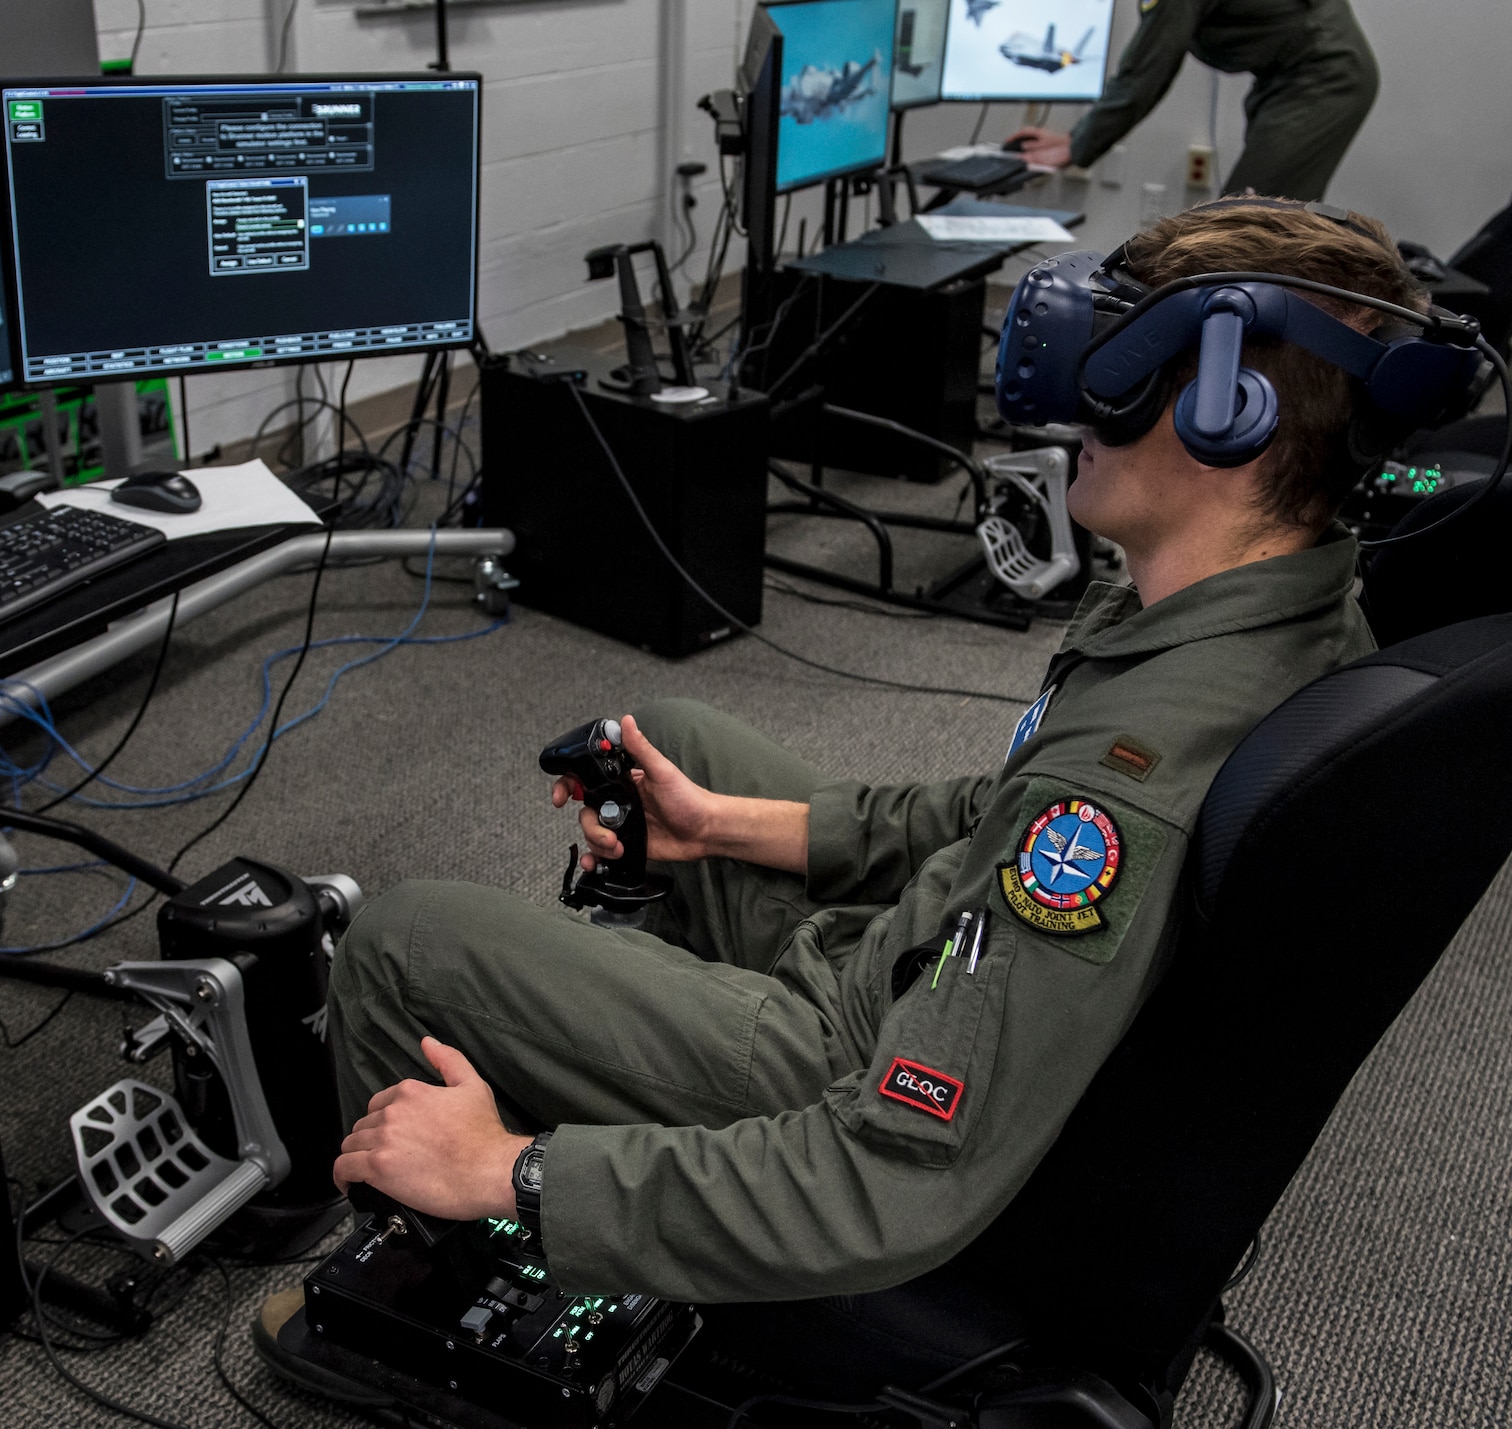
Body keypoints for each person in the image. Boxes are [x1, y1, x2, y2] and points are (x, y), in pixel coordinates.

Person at [265, 200, 1422, 1386]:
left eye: (1118, 367)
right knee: (674, 742)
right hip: (924, 962)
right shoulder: (1242, 607)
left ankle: (443, 1289)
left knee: (401, 945)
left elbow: (893, 1171)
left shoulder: (1125, 784)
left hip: (857, 1071)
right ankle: (616, 1066)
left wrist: (510, 1172)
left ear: (1227, 407)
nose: (1075, 398)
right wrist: (725, 825)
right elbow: (995, 817)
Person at [1007, 0, 1379, 202]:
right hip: (1288, 76)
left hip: (1323, 75)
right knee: (1274, 228)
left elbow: (1149, 67)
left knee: (1245, 229)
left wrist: (1079, 144)